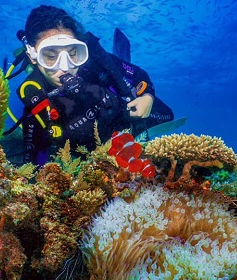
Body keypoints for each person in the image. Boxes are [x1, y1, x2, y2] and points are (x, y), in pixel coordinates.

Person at [17, 5, 174, 166]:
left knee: (167, 115)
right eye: (50, 56)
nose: (65, 67)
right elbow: (33, 162)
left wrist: (147, 97)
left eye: (72, 54)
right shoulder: (37, 100)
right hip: (93, 159)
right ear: (33, 55)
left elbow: (139, 75)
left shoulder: (95, 64)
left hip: (124, 123)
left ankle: (121, 66)